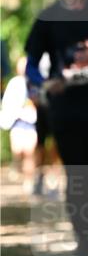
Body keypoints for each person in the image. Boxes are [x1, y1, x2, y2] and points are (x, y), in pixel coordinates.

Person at [24, 0, 88, 256]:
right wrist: (41, 85)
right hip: (64, 108)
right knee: (76, 173)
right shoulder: (49, 16)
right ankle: (82, 234)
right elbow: (32, 62)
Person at [0, 57, 38, 191]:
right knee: (18, 151)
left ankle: (29, 182)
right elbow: (7, 103)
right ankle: (18, 172)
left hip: (31, 123)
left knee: (30, 152)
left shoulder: (35, 82)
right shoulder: (14, 83)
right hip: (17, 123)